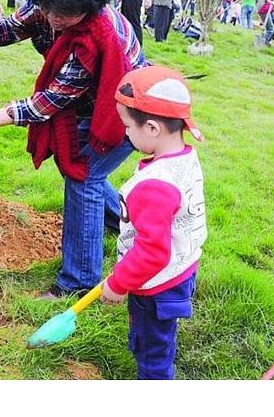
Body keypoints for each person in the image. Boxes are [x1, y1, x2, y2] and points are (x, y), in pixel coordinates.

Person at [0, 0, 147, 298]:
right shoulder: (50, 2)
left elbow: (47, 103)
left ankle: (78, 282)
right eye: (48, 8)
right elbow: (16, 27)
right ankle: (130, 226)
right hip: (88, 106)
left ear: (87, 5)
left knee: (83, 176)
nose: (53, 18)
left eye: (63, 14)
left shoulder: (96, 39)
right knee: (86, 171)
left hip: (126, 113)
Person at [102, 65, 207, 380]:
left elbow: (152, 252)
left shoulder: (154, 186)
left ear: (151, 128)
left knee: (151, 355)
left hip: (156, 287)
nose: (125, 133)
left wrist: (118, 283)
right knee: (160, 339)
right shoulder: (183, 157)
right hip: (181, 267)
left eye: (127, 126)